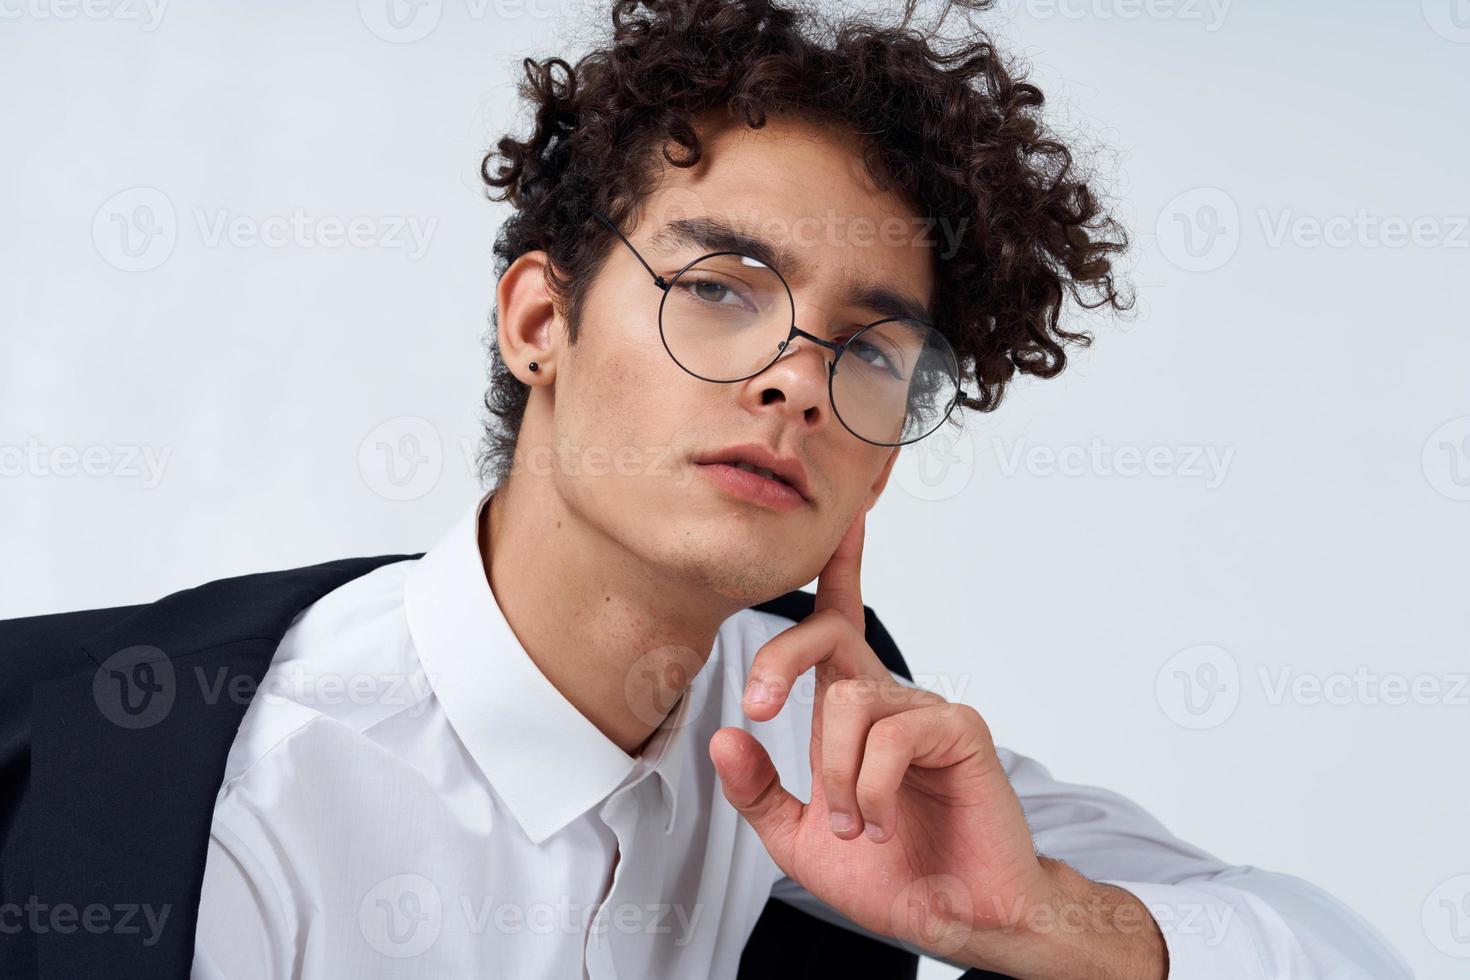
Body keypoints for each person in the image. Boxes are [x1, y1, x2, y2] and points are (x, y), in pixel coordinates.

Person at [1, 1, 1413, 977]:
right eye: (720, 288)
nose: (796, 378)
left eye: (867, 347)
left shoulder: (839, 745)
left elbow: (1333, 953)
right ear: (539, 322)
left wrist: (1035, 918)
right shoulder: (217, 793)